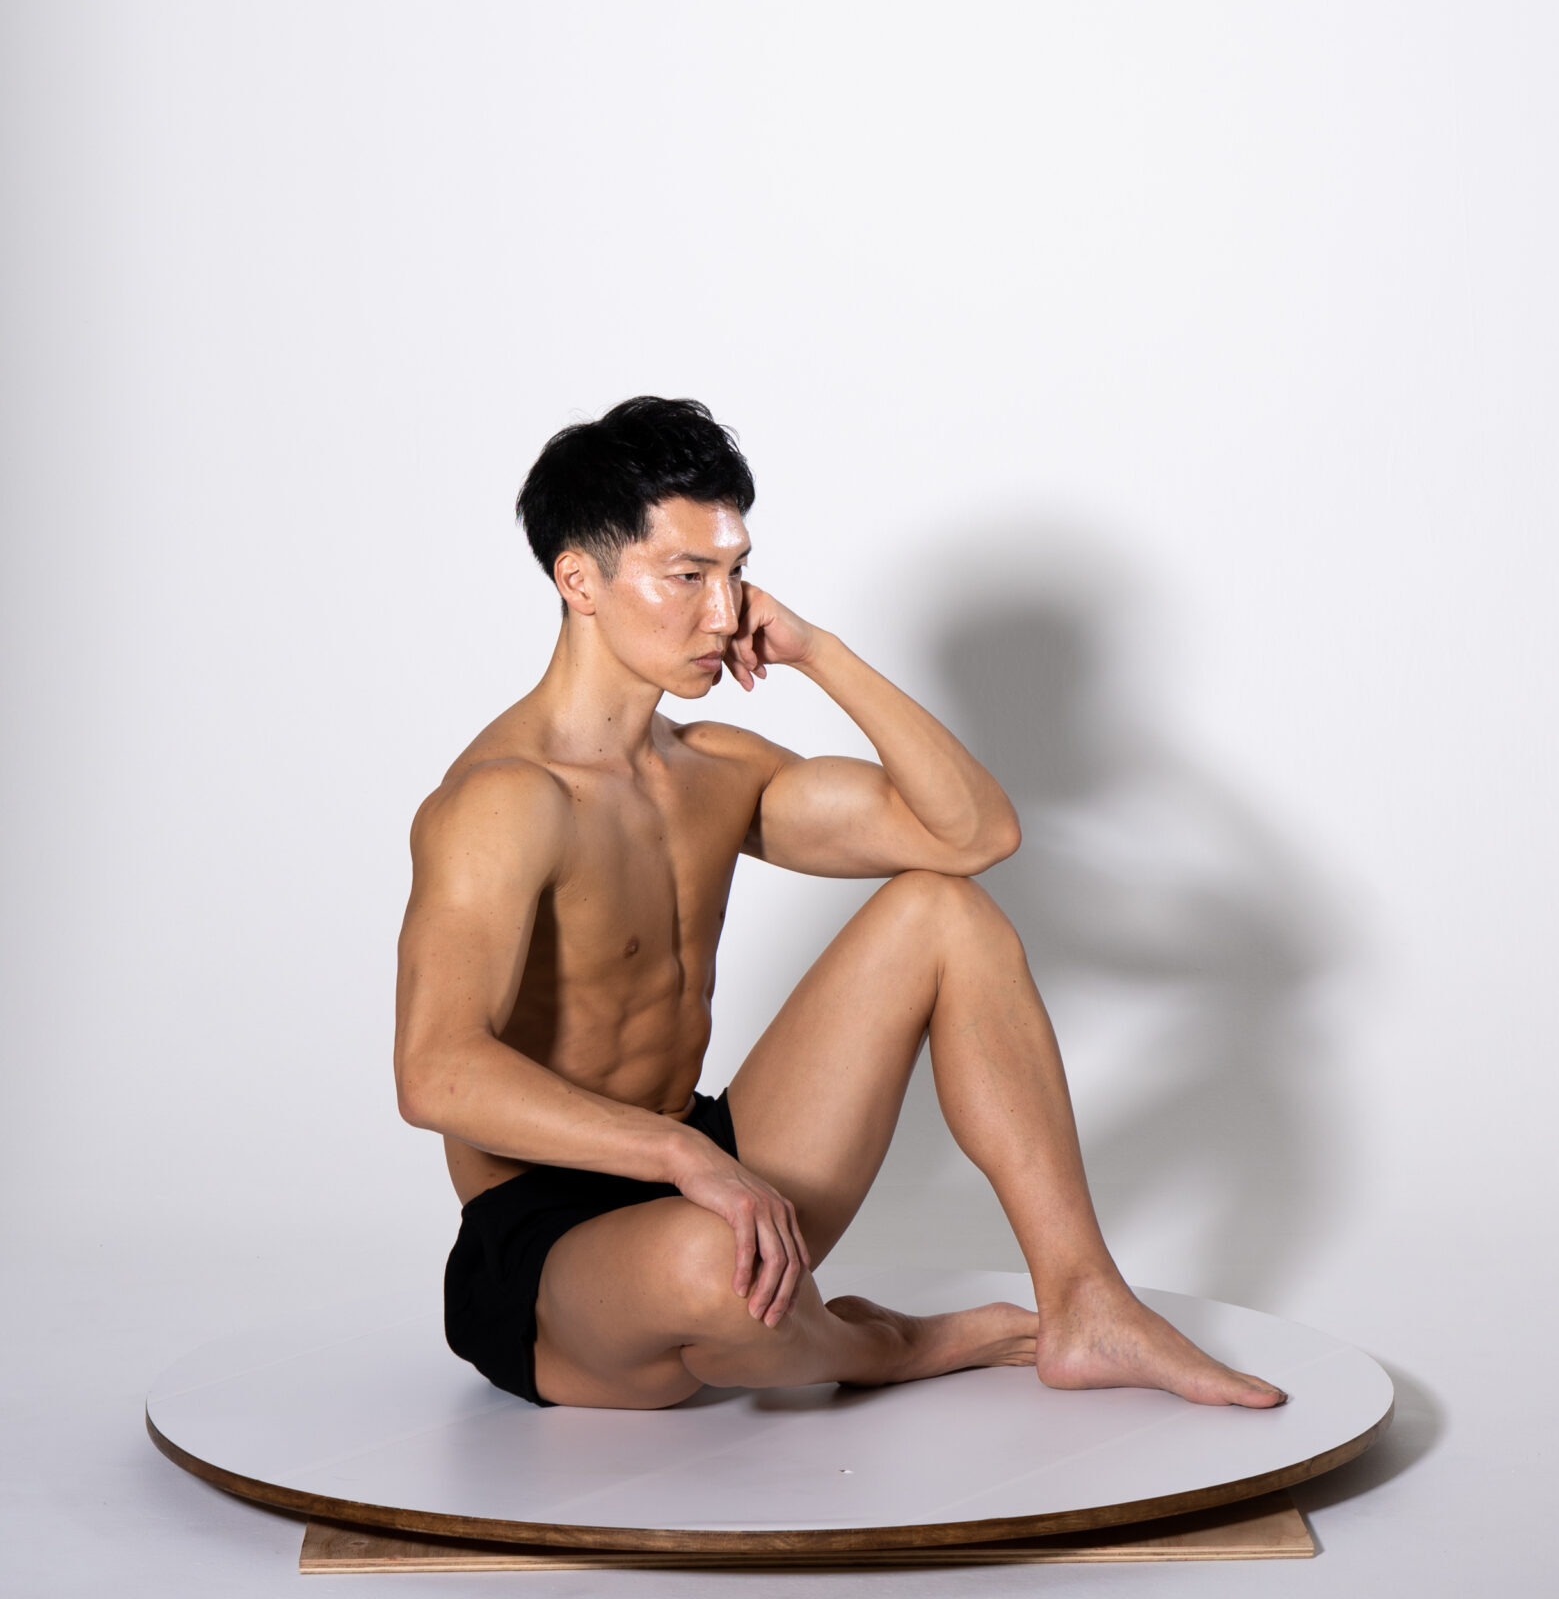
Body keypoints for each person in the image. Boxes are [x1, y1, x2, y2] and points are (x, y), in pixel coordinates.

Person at [393, 396, 1286, 1413]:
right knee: (713, 1273)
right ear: (578, 580)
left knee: (941, 911)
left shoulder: (714, 769)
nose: (724, 613)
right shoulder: (505, 801)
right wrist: (682, 1156)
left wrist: (819, 652)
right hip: (552, 1244)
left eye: (734, 572)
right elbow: (435, 1073)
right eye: (686, 576)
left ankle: (1086, 1304)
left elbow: (971, 835)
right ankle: (891, 1347)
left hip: (713, 1175)